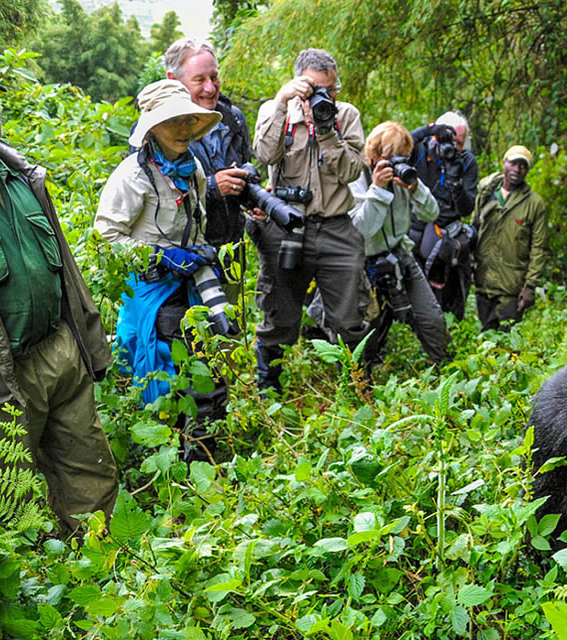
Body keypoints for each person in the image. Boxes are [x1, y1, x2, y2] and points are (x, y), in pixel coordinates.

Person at [0, 60, 118, 535]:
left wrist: (91, 344)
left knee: (91, 473)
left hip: (60, 348)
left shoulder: (22, 179)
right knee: (4, 501)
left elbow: (68, 273)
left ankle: (98, 575)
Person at [95, 79, 228, 462]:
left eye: (189, 121)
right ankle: (166, 462)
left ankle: (203, 458)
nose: (184, 130)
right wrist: (158, 255)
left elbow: (195, 221)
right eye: (175, 122)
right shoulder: (132, 176)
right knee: (163, 375)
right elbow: (105, 236)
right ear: (153, 128)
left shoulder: (193, 169)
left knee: (208, 367)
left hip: (190, 286)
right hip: (151, 290)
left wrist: (198, 253)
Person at [249, 48, 367, 392]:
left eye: (331, 89)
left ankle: (355, 385)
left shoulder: (346, 115)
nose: (325, 96)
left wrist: (327, 129)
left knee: (349, 317)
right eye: (317, 89)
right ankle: (269, 390)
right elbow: (265, 155)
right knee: (280, 315)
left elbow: (351, 170)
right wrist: (281, 101)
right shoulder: (277, 112)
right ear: (299, 83)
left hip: (336, 226)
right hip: (288, 225)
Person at [348, 121, 450, 365]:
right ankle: (361, 380)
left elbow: (431, 214)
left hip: (399, 255)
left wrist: (415, 189)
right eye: (393, 158)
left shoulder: (402, 175)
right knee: (367, 325)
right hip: (364, 261)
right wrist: (379, 189)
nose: (399, 164)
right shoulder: (355, 176)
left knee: (432, 318)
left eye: (404, 158)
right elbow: (363, 230)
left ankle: (446, 368)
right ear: (374, 154)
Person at [163, 38, 253, 299]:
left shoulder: (233, 118)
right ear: (174, 79)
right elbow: (156, 198)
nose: (210, 88)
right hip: (181, 259)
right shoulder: (157, 128)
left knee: (228, 331)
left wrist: (249, 193)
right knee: (186, 334)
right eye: (199, 80)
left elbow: (243, 164)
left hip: (229, 252)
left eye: (214, 77)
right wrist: (213, 186)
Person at [407, 112, 479, 320]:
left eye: (459, 142)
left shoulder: (466, 161)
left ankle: (443, 316)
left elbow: (466, 209)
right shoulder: (421, 150)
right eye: (449, 140)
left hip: (444, 229)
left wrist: (456, 184)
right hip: (413, 223)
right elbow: (392, 147)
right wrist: (429, 130)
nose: (454, 148)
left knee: (443, 252)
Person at [471, 145, 549, 331]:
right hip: (484, 283)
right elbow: (474, 228)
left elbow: (539, 248)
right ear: (504, 163)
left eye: (523, 166)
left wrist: (530, 287)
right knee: (486, 338)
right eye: (513, 163)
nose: (517, 170)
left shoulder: (534, 204)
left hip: (511, 288)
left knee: (507, 342)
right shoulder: (486, 193)